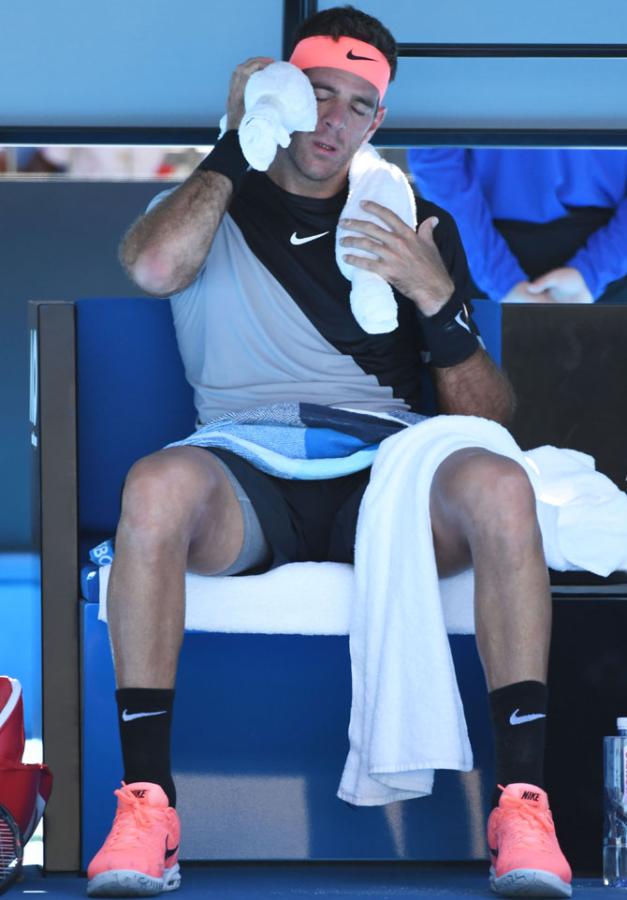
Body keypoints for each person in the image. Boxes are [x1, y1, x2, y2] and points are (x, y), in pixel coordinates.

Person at [86, 6, 572, 898]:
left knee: (501, 483)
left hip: (387, 471)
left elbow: (491, 416)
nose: (334, 121)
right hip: (244, 463)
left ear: (378, 120)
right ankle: (148, 806)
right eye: (316, 96)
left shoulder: (412, 220)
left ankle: (521, 804)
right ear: (281, 95)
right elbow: (153, 269)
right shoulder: (206, 198)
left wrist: (437, 302)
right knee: (153, 485)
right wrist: (239, 141)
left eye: (358, 104)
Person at [408, 147, 627, 304]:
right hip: (482, 248)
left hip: (480, 248)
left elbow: (434, 157)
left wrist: (595, 270)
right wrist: (594, 271)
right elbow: (434, 156)